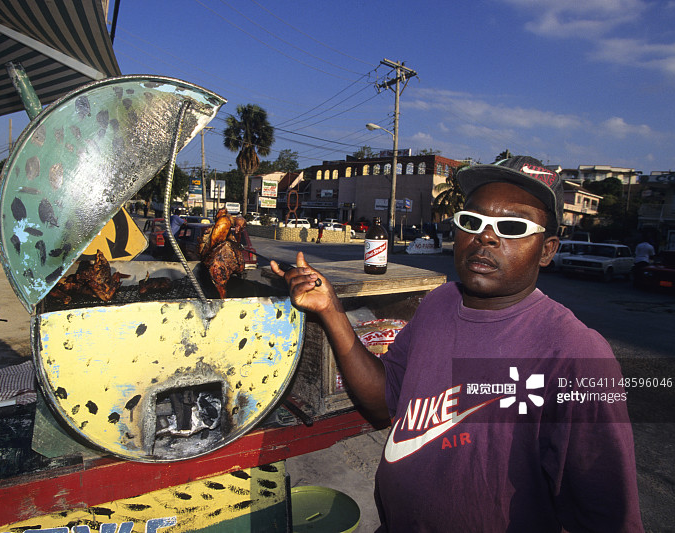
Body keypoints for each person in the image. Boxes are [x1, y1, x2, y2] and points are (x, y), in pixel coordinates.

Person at [272, 156, 643, 532]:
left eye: (512, 227)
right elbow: (385, 402)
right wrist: (332, 310)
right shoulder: (439, 302)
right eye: (473, 222)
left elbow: (607, 515)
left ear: (547, 250)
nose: (486, 237)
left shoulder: (576, 354)